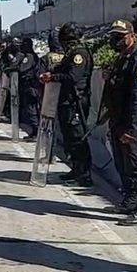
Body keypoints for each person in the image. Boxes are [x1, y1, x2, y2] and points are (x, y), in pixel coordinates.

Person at [103, 19, 137, 225]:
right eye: (115, 37)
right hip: (118, 122)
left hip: (132, 125)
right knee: (124, 166)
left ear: (133, 36)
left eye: (121, 37)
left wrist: (131, 129)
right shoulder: (123, 59)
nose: (117, 41)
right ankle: (131, 200)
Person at [39, 22, 94, 187]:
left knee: (78, 138)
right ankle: (76, 170)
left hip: (75, 102)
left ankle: (84, 175)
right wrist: (53, 72)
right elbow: (62, 69)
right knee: (69, 138)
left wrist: (53, 78)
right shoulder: (71, 53)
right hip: (66, 102)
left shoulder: (80, 54)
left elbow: (72, 77)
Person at [18, 37, 40, 140]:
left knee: (32, 109)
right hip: (32, 86)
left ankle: (36, 132)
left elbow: (22, 68)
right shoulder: (33, 56)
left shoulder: (29, 57)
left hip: (30, 86)